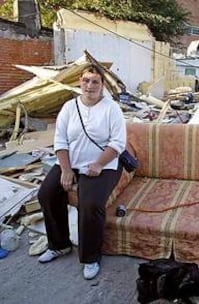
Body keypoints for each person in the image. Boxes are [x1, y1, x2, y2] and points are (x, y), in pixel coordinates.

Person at [37, 64, 126, 280]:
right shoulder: (69, 107)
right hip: (72, 161)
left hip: (104, 164)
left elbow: (118, 143)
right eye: (86, 80)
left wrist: (97, 164)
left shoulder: (111, 108)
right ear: (80, 82)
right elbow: (60, 140)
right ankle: (59, 245)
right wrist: (66, 170)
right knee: (46, 194)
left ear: (103, 86)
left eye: (95, 81)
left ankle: (90, 257)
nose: (90, 85)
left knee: (90, 204)